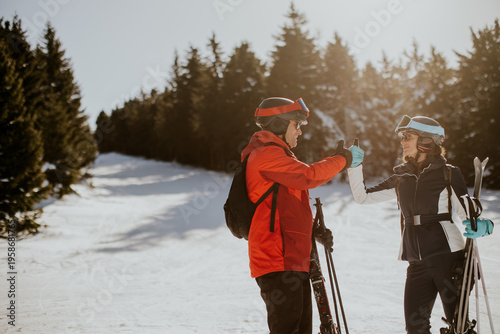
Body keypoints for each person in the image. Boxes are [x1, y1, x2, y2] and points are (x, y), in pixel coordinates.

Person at [347, 115, 494, 334]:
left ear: (427, 141)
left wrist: (484, 225)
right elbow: (363, 197)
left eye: (407, 136)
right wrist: (355, 166)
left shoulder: (448, 174)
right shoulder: (401, 177)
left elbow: (467, 213)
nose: (402, 141)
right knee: (415, 328)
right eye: (402, 137)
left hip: (447, 258)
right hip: (416, 262)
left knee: (459, 325)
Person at [242, 97, 356, 334]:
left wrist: (313, 231)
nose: (300, 131)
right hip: (278, 262)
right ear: (278, 125)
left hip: (293, 260)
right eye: (296, 125)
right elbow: (309, 176)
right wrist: (343, 160)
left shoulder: (279, 156)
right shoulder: (265, 155)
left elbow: (287, 208)